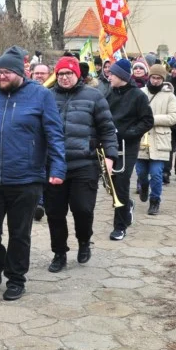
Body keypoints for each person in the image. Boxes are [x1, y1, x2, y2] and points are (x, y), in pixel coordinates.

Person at [0, 46, 66, 301]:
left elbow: (54, 134)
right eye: (0, 71)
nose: (2, 76)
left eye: (8, 72)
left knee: (19, 232)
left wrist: (57, 168)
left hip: (26, 178)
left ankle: (16, 278)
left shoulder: (40, 96)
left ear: (22, 73)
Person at [45, 56, 118, 272]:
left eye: (68, 73)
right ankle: (59, 253)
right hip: (54, 165)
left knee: (83, 209)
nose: (64, 78)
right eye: (60, 74)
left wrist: (110, 155)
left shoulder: (94, 96)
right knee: (55, 213)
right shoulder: (47, 97)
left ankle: (84, 241)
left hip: (85, 163)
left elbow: (107, 128)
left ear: (78, 75)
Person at [105, 59, 154, 241]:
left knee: (122, 185)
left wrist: (129, 133)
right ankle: (127, 206)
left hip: (128, 146)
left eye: (112, 74)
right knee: (110, 184)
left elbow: (147, 120)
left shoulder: (138, 96)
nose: (109, 77)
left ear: (122, 76)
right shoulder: (107, 95)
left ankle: (120, 226)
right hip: (109, 145)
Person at [135, 64, 176, 216]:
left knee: (156, 173)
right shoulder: (140, 93)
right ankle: (144, 186)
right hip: (142, 139)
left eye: (159, 78)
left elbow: (174, 116)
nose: (155, 81)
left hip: (160, 140)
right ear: (149, 77)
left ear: (163, 79)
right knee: (140, 171)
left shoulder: (169, 96)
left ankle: (155, 200)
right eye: (153, 77)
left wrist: (153, 119)